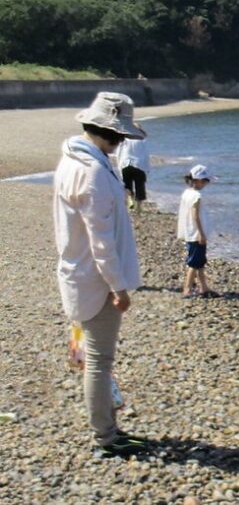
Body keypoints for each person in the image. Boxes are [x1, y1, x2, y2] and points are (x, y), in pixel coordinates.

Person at [53, 92, 149, 458]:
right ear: (109, 132)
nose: (122, 142)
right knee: (99, 360)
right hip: (95, 280)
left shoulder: (74, 159)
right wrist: (118, 287)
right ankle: (106, 437)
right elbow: (102, 242)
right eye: (120, 136)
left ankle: (107, 429)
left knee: (94, 357)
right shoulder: (92, 171)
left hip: (79, 273)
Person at [176, 164, 216, 297]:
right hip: (196, 234)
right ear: (198, 180)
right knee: (194, 263)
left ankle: (204, 287)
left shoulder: (186, 193)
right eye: (205, 181)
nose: (206, 184)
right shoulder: (196, 196)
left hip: (190, 232)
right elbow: (195, 215)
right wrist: (201, 233)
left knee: (199, 262)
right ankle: (187, 289)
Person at [114, 123, 150, 212]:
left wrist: (119, 165)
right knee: (140, 186)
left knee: (127, 184)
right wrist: (147, 167)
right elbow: (146, 154)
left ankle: (130, 200)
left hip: (126, 163)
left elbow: (118, 152)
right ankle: (139, 206)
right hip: (138, 164)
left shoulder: (124, 140)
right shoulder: (142, 140)